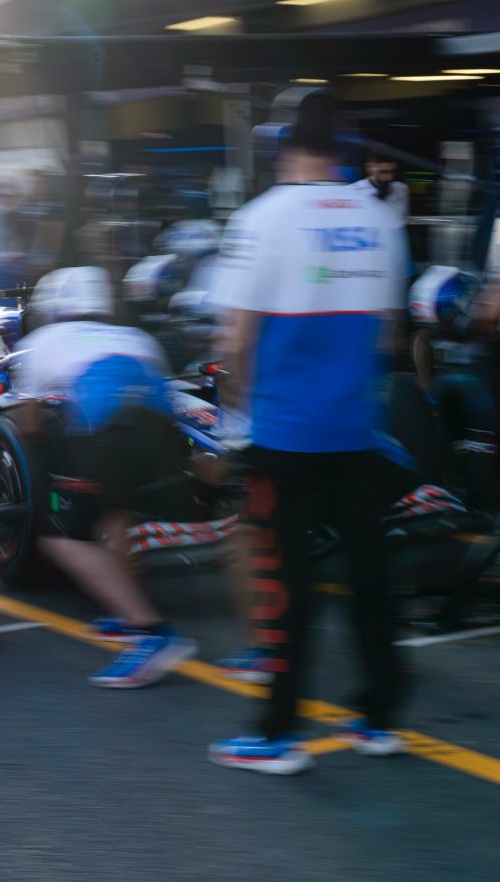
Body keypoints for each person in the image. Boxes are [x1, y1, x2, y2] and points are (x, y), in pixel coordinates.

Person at [207, 91, 408, 775]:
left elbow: (234, 340)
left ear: (283, 149)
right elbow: (387, 333)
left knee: (285, 583)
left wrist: (237, 410)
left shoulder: (260, 219)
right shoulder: (379, 219)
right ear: (341, 153)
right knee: (370, 574)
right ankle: (377, 718)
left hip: (285, 434)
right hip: (356, 429)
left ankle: (276, 733)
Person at [12, 265, 198, 688]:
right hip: (164, 440)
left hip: (107, 434)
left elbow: (29, 426)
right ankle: (125, 611)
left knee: (60, 537)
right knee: (115, 513)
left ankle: (152, 633)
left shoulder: (43, 340)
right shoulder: (138, 338)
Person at [409, 264, 500, 512]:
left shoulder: (487, 306)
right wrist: (426, 390)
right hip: (464, 378)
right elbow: (421, 339)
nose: (442, 330)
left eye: (444, 322)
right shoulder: (436, 322)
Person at [352, 146, 410, 222]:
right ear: (369, 167)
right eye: (384, 172)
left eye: (393, 171)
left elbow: (401, 220)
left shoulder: (400, 189)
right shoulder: (353, 191)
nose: (390, 177)